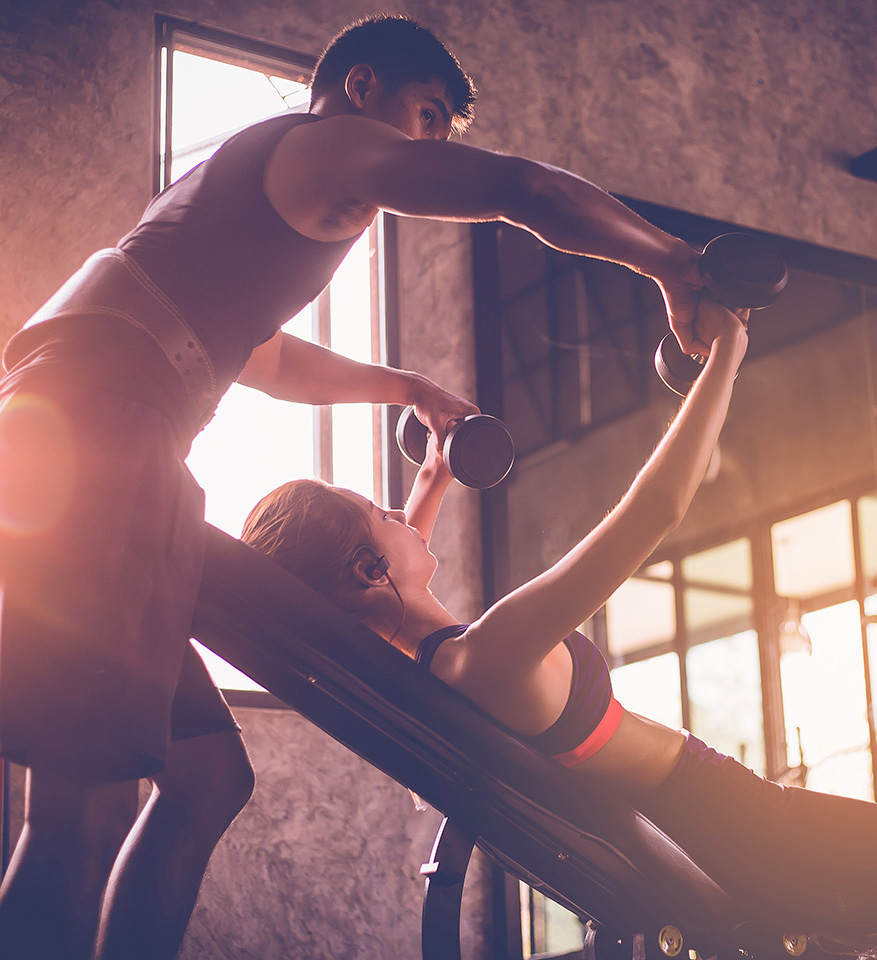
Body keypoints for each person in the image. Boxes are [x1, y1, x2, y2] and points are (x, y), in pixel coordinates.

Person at [0, 12, 718, 960]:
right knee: (79, 813)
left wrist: (404, 387)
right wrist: (675, 263)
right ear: (363, 87)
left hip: (121, 444)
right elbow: (521, 188)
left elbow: (261, 356)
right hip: (93, 434)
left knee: (209, 778)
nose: (427, 149)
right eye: (426, 118)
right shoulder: (326, 148)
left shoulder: (241, 204)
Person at [242, 294, 877, 947]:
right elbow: (658, 509)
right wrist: (727, 356)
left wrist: (436, 475)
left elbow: (391, 577)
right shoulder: (490, 653)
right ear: (370, 572)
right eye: (380, 512)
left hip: (739, 829)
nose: (400, 511)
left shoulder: (422, 679)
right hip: (760, 836)